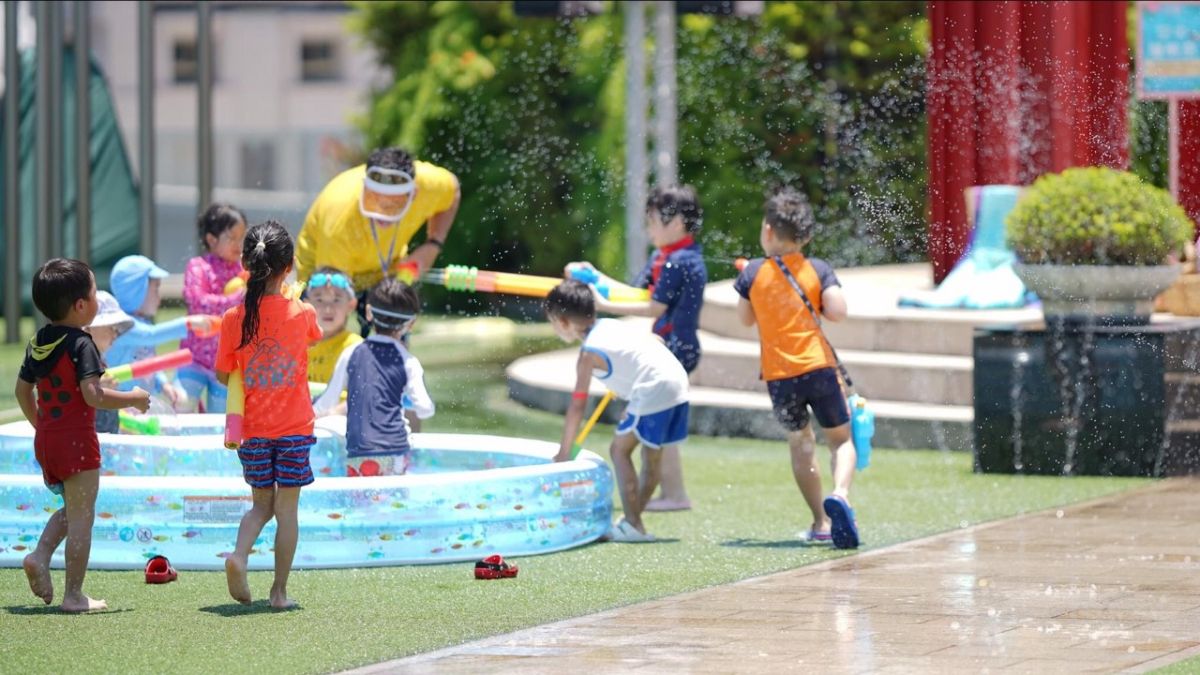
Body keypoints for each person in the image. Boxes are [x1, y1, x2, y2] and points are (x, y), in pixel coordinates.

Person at [15, 259, 150, 612]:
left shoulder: (38, 341)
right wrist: (133, 398)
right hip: (77, 443)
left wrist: (40, 426)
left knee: (73, 508)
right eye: (93, 295)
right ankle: (73, 595)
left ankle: (40, 555)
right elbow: (94, 394)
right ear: (80, 306)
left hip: (48, 441)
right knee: (82, 517)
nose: (96, 301)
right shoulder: (82, 343)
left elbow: (21, 392)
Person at [567, 185, 707, 512]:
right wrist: (595, 276)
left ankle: (672, 494)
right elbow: (634, 294)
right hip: (665, 348)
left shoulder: (682, 261)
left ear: (676, 224)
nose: (648, 228)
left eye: (652, 220)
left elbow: (654, 308)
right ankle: (672, 492)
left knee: (657, 422)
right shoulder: (663, 257)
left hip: (676, 350)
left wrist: (600, 302)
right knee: (662, 420)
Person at [734, 187, 859, 549]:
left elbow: (744, 320)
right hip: (818, 368)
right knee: (841, 440)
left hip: (779, 377)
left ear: (768, 232)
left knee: (801, 443)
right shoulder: (817, 269)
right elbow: (837, 311)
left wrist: (747, 282)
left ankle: (820, 522)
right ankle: (841, 493)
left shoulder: (753, 273)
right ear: (805, 236)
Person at [214, 221, 322, 608]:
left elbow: (223, 372)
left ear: (245, 263)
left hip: (253, 431)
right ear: (289, 266)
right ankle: (279, 592)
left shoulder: (232, 318)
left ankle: (239, 556)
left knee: (260, 505)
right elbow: (315, 335)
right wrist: (290, 296)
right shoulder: (302, 312)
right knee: (286, 511)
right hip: (294, 429)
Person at [545, 279, 690, 543]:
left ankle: (633, 524)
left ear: (563, 322)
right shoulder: (611, 325)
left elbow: (578, 405)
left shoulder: (588, 353)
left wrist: (565, 451)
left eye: (553, 323)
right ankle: (631, 522)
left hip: (653, 388)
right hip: (677, 382)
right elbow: (653, 341)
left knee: (619, 451)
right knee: (651, 458)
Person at [296, 146, 460, 337]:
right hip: (324, 276)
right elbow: (330, 297)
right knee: (325, 340)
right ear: (364, 187)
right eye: (374, 200)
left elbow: (454, 189)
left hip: (385, 268)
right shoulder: (340, 218)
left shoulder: (430, 184)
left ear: (413, 194)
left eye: (393, 204)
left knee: (394, 335)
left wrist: (434, 243)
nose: (382, 211)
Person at [313, 277, 434, 476]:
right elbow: (425, 410)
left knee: (360, 503)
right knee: (394, 503)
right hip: (396, 451)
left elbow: (326, 403)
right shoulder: (409, 362)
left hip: (359, 452)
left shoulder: (350, 353)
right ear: (410, 324)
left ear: (368, 313)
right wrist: (404, 400)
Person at [108, 254, 217, 410]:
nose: (159, 299)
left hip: (138, 407)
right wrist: (188, 323)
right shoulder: (121, 326)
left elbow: (147, 363)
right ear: (137, 291)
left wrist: (164, 385)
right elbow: (151, 335)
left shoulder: (142, 323)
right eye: (156, 289)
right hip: (120, 408)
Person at [178, 203, 248, 413]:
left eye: (241, 237)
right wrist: (236, 299)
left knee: (220, 423)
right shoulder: (198, 266)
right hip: (193, 358)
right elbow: (198, 302)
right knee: (182, 411)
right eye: (232, 238)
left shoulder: (243, 271)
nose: (239, 244)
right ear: (211, 239)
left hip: (226, 363)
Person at [84, 291, 137, 434]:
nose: (115, 334)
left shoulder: (100, 360)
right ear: (88, 328)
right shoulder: (78, 361)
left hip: (104, 443)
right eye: (110, 328)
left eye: (117, 329)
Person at [304, 266, 362, 389]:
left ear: (351, 305)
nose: (328, 309)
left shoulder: (356, 349)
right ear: (306, 305)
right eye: (319, 300)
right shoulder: (295, 345)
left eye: (336, 300)